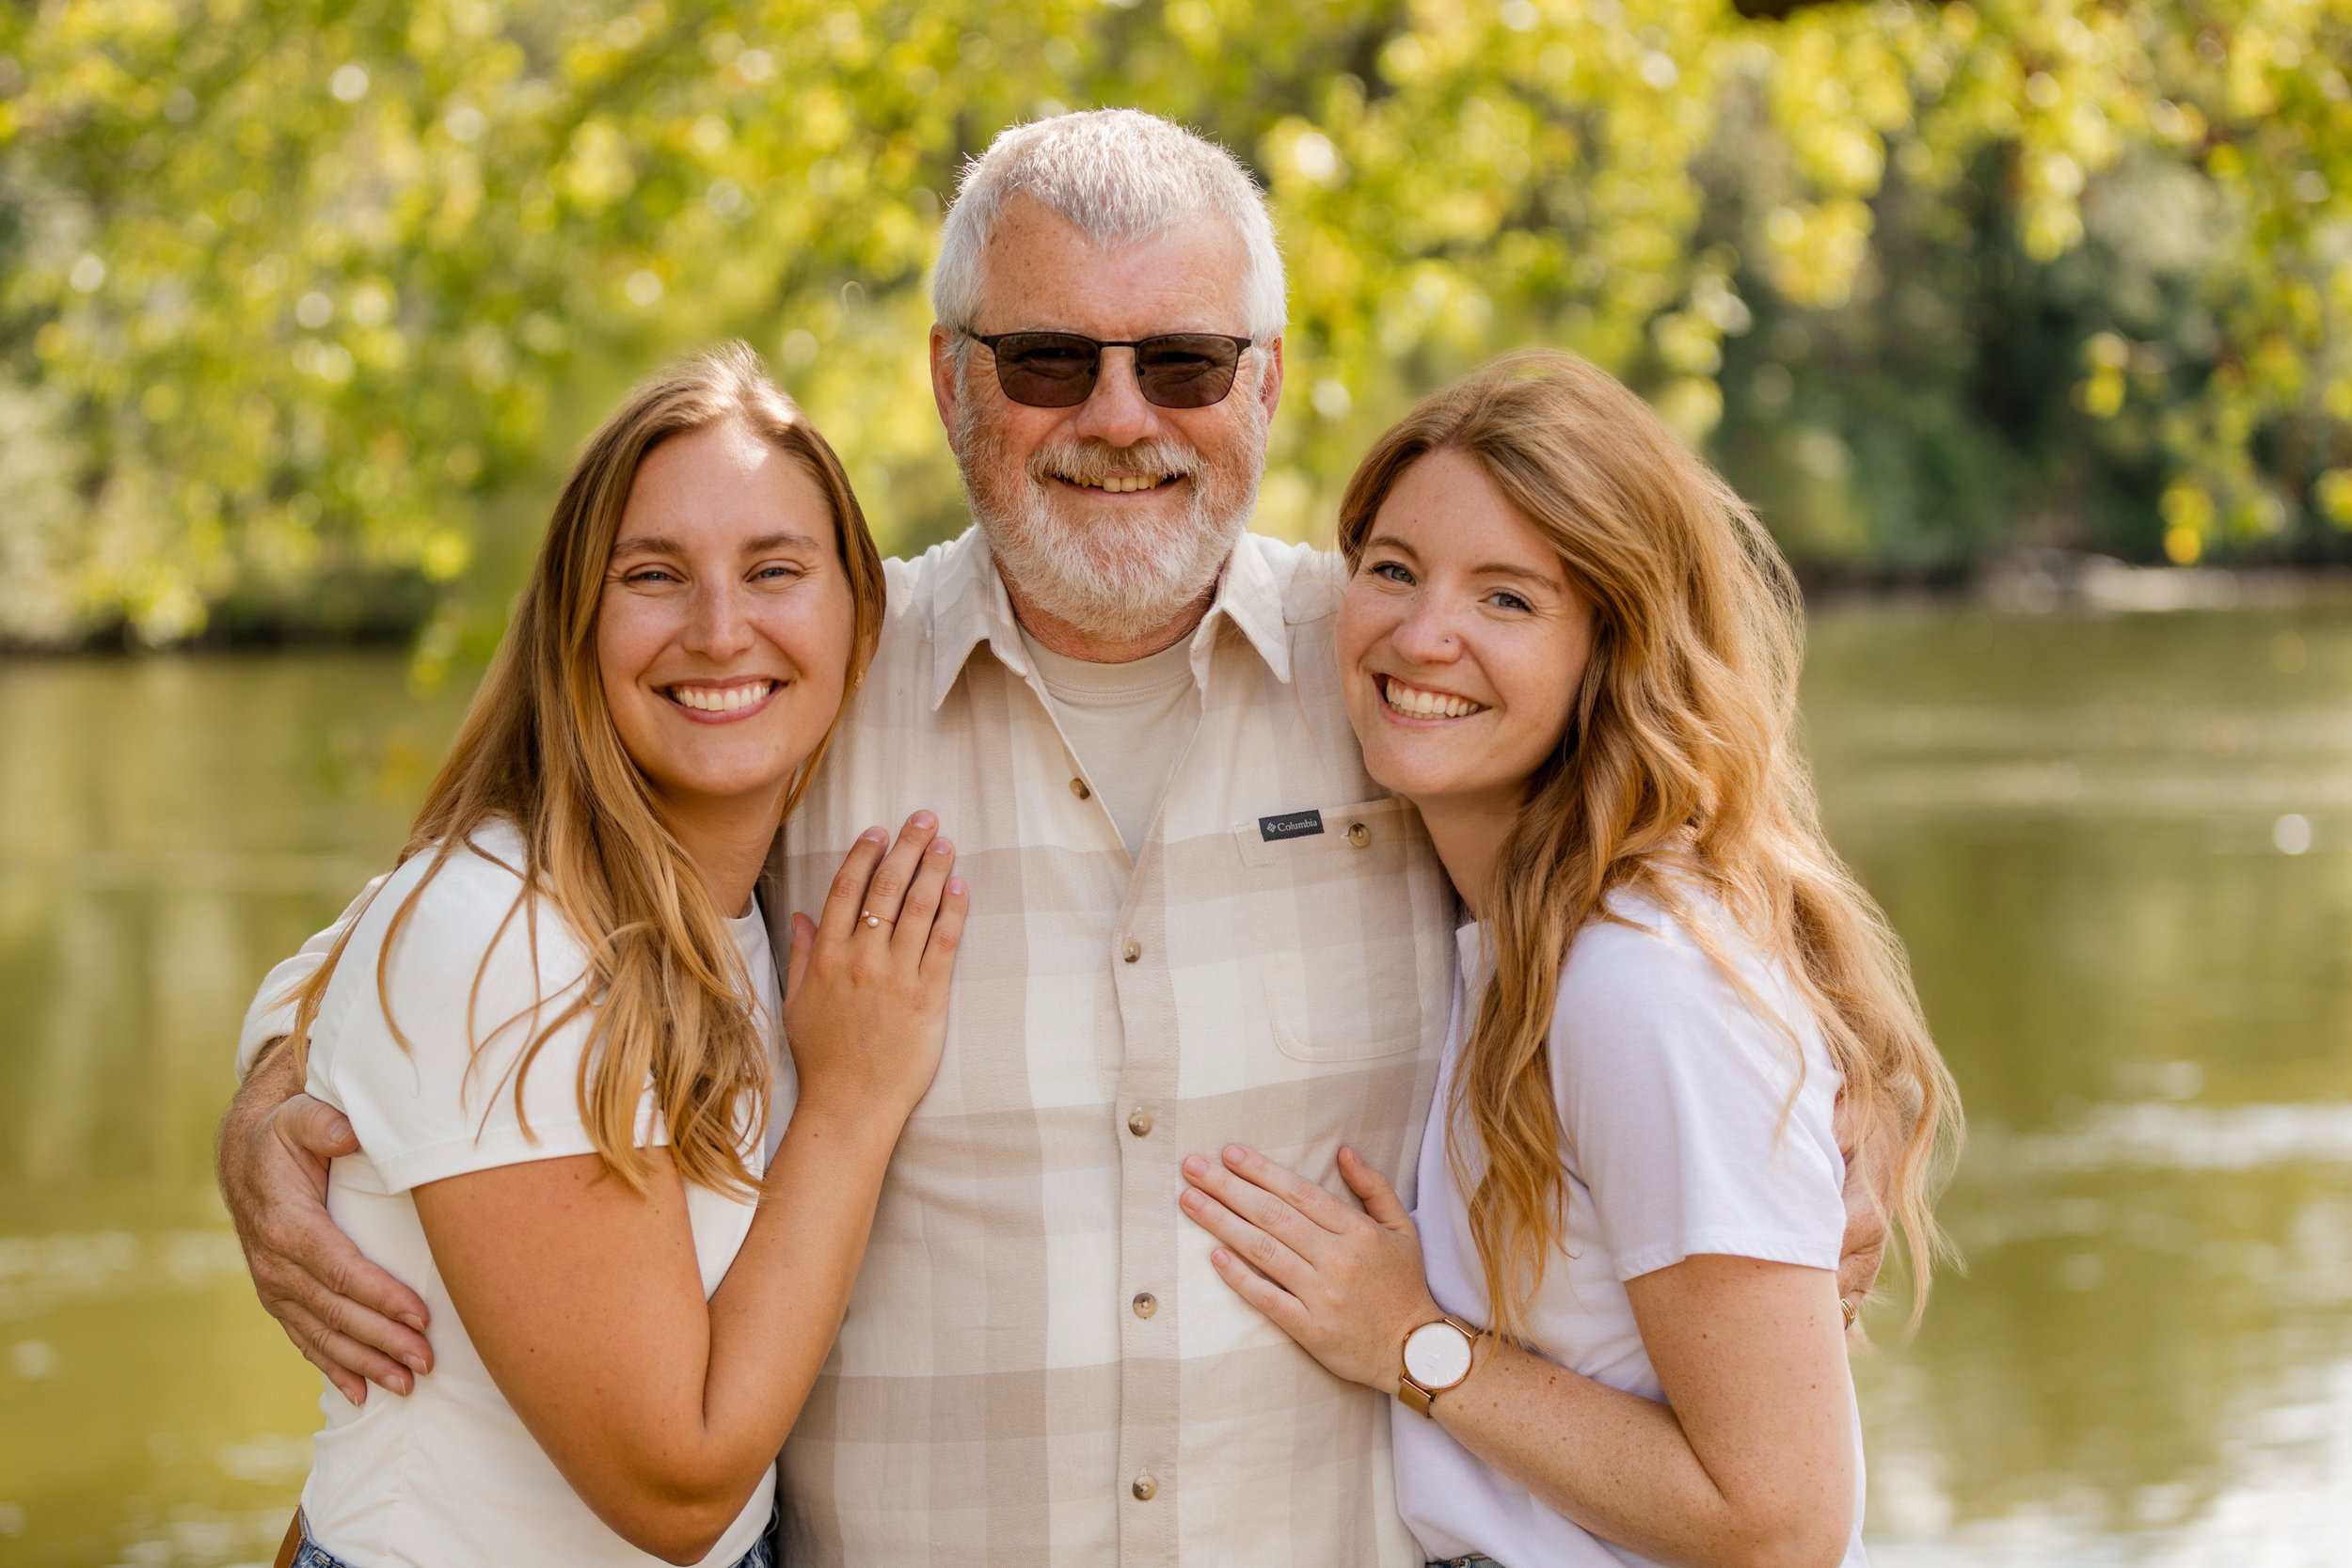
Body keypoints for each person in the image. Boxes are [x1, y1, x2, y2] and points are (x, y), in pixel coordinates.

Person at [218, 112, 1899, 1567]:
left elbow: (1699, 875)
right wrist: (278, 1080)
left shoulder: (1402, 683)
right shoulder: (803, 689)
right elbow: (500, 906)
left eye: (1181, 361)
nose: (1120, 417)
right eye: (1049, 361)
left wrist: (1852, 1108)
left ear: (1265, 382)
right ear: (953, 382)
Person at [1178, 353, 1962, 1567]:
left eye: (1508, 599)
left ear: (1612, 648)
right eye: (1392, 571)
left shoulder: (1640, 982)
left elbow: (1782, 1523)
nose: (1424, 634)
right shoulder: (1519, 932)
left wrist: (1413, 1343)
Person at [257, 342, 967, 1567]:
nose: (720, 628)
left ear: (862, 611)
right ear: (574, 620)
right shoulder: (504, 936)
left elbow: (321, 978)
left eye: (775, 569)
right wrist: (852, 1098)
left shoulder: (726, 876)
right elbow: (676, 1487)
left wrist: (271, 1084)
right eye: (654, 574)